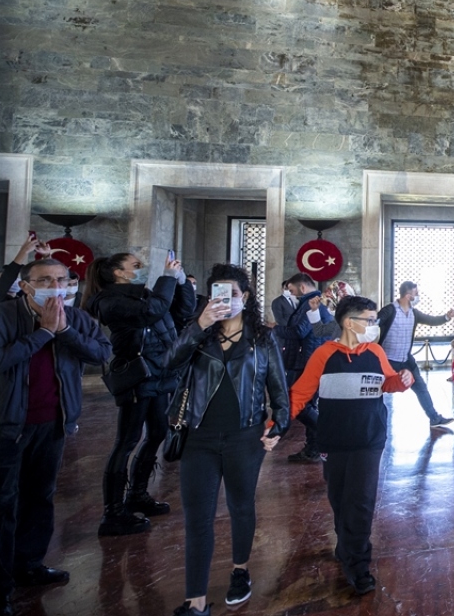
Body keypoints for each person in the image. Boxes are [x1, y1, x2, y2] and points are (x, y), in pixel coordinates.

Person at [166, 264, 290, 616]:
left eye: (233, 294)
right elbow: (168, 362)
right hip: (198, 438)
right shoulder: (198, 333)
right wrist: (200, 324)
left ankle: (240, 570)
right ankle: (196, 601)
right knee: (198, 517)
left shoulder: (262, 339)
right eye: (218, 294)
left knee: (240, 506)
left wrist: (279, 425)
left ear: (245, 297)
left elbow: (279, 391)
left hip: (245, 437)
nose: (227, 300)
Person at [0, 259, 110, 616]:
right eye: (45, 279)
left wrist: (64, 332)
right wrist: (43, 333)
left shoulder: (74, 318)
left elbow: (102, 353)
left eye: (62, 279)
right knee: (4, 503)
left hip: (55, 422)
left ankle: (29, 564)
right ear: (27, 285)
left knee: (40, 496)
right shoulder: (5, 315)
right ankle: (1, 585)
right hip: (9, 424)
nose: (55, 286)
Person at [289, 296, 413, 596]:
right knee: (340, 497)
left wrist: (403, 380)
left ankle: (358, 566)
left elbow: (388, 382)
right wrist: (272, 427)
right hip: (334, 440)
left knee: (361, 501)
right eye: (369, 321)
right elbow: (301, 393)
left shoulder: (375, 352)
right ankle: (346, 544)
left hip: (369, 439)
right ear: (348, 322)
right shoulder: (324, 354)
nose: (374, 327)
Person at [82, 251, 195, 536]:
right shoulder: (109, 300)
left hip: (160, 372)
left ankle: (138, 495)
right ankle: (113, 512)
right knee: (128, 440)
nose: (142, 269)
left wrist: (181, 282)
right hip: (138, 375)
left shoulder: (144, 294)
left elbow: (181, 312)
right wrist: (166, 279)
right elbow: (152, 312)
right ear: (118, 273)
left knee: (157, 433)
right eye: (135, 265)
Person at [272, 273, 338, 463]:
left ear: (302, 288)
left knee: (297, 404)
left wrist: (273, 328)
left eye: (291, 290)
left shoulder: (311, 303)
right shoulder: (309, 302)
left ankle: (325, 436)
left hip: (306, 362)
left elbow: (299, 331)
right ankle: (313, 448)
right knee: (307, 405)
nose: (290, 293)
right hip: (307, 359)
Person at [375, 282, 454, 428]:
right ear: (408, 295)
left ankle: (434, 418)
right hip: (387, 360)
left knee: (421, 387)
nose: (417, 296)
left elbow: (431, 320)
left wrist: (446, 317)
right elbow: (375, 324)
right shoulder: (390, 310)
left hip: (406, 360)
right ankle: (373, 421)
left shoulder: (414, 313)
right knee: (377, 389)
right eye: (416, 293)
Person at [0, 234, 50, 301]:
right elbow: (8, 276)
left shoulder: (24, 297)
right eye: (2, 278)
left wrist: (46, 256)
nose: (15, 281)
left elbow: (46, 276)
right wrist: (24, 251)